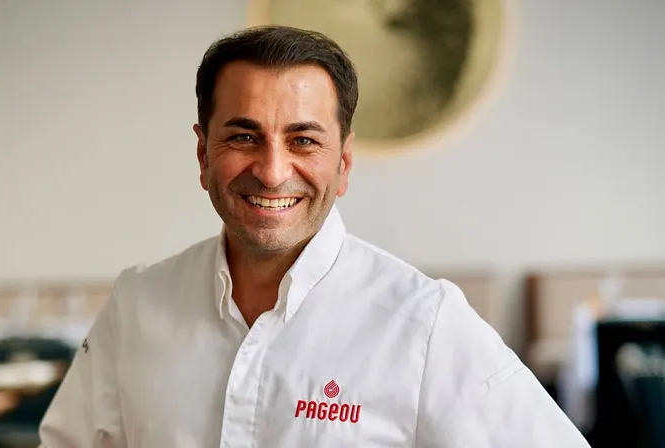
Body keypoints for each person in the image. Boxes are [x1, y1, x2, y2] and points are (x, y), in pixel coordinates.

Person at [38, 25, 590, 447]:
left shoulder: (425, 324)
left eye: (303, 140)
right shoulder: (137, 305)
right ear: (203, 154)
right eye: (243, 137)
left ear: (343, 164)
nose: (272, 171)